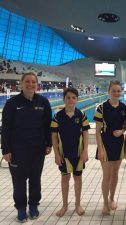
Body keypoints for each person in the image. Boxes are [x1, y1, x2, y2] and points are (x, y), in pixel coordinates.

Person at [1, 72, 52, 222]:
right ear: (21, 83)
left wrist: (48, 144)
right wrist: (6, 149)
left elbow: (47, 125)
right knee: (19, 181)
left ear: (37, 84)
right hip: (17, 150)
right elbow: (6, 128)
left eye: (33, 82)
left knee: (35, 179)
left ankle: (34, 205)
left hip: (37, 149)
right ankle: (21, 208)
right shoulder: (12, 103)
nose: (30, 85)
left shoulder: (43, 102)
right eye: (27, 82)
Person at [51, 87, 90, 217]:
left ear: (77, 99)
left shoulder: (81, 115)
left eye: (74, 97)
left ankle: (78, 204)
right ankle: (65, 206)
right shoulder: (58, 116)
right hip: (64, 154)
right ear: (64, 99)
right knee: (65, 178)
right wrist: (56, 154)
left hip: (78, 154)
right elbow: (54, 136)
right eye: (68, 97)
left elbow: (85, 134)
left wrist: (85, 151)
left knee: (78, 178)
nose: (71, 100)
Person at [93, 80, 126, 215]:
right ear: (109, 91)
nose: (116, 93)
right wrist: (100, 149)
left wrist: (122, 131)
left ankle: (112, 198)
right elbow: (97, 131)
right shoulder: (102, 108)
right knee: (106, 175)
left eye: (118, 91)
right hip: (105, 144)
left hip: (119, 144)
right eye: (114, 91)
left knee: (115, 174)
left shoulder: (123, 107)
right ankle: (105, 203)